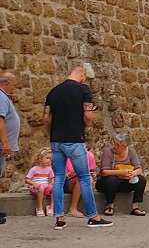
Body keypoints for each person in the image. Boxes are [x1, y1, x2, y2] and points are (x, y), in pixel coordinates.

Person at [44, 65, 113, 230]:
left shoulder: (53, 91)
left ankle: (59, 218)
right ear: (82, 75)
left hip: (56, 141)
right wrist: (84, 126)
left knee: (59, 178)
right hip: (75, 140)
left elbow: (45, 118)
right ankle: (93, 217)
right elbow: (88, 114)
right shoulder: (83, 90)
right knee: (84, 178)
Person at [96, 133, 147, 216]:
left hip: (125, 182)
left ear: (124, 147)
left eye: (117, 145)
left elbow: (139, 169)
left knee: (141, 180)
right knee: (112, 180)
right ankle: (109, 205)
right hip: (107, 182)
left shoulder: (131, 152)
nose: (114, 146)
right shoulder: (108, 152)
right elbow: (104, 172)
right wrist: (121, 172)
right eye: (114, 143)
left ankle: (135, 207)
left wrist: (132, 173)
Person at [0, 71, 20, 225]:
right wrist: (5, 142)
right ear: (6, 83)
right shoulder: (1, 96)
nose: (14, 88)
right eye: (13, 84)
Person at [63, 146, 97, 217]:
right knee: (81, 180)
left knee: (87, 179)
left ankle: (91, 210)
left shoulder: (89, 156)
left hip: (83, 179)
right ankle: (73, 208)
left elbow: (90, 170)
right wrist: (69, 174)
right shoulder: (66, 156)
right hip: (68, 181)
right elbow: (60, 176)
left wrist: (93, 174)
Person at [25, 148, 55, 216]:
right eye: (47, 158)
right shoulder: (34, 169)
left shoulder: (49, 169)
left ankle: (51, 207)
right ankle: (39, 208)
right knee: (41, 188)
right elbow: (27, 179)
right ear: (40, 158)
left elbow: (52, 178)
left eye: (50, 159)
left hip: (45, 186)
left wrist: (52, 183)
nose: (48, 160)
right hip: (36, 187)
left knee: (54, 189)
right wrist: (33, 183)